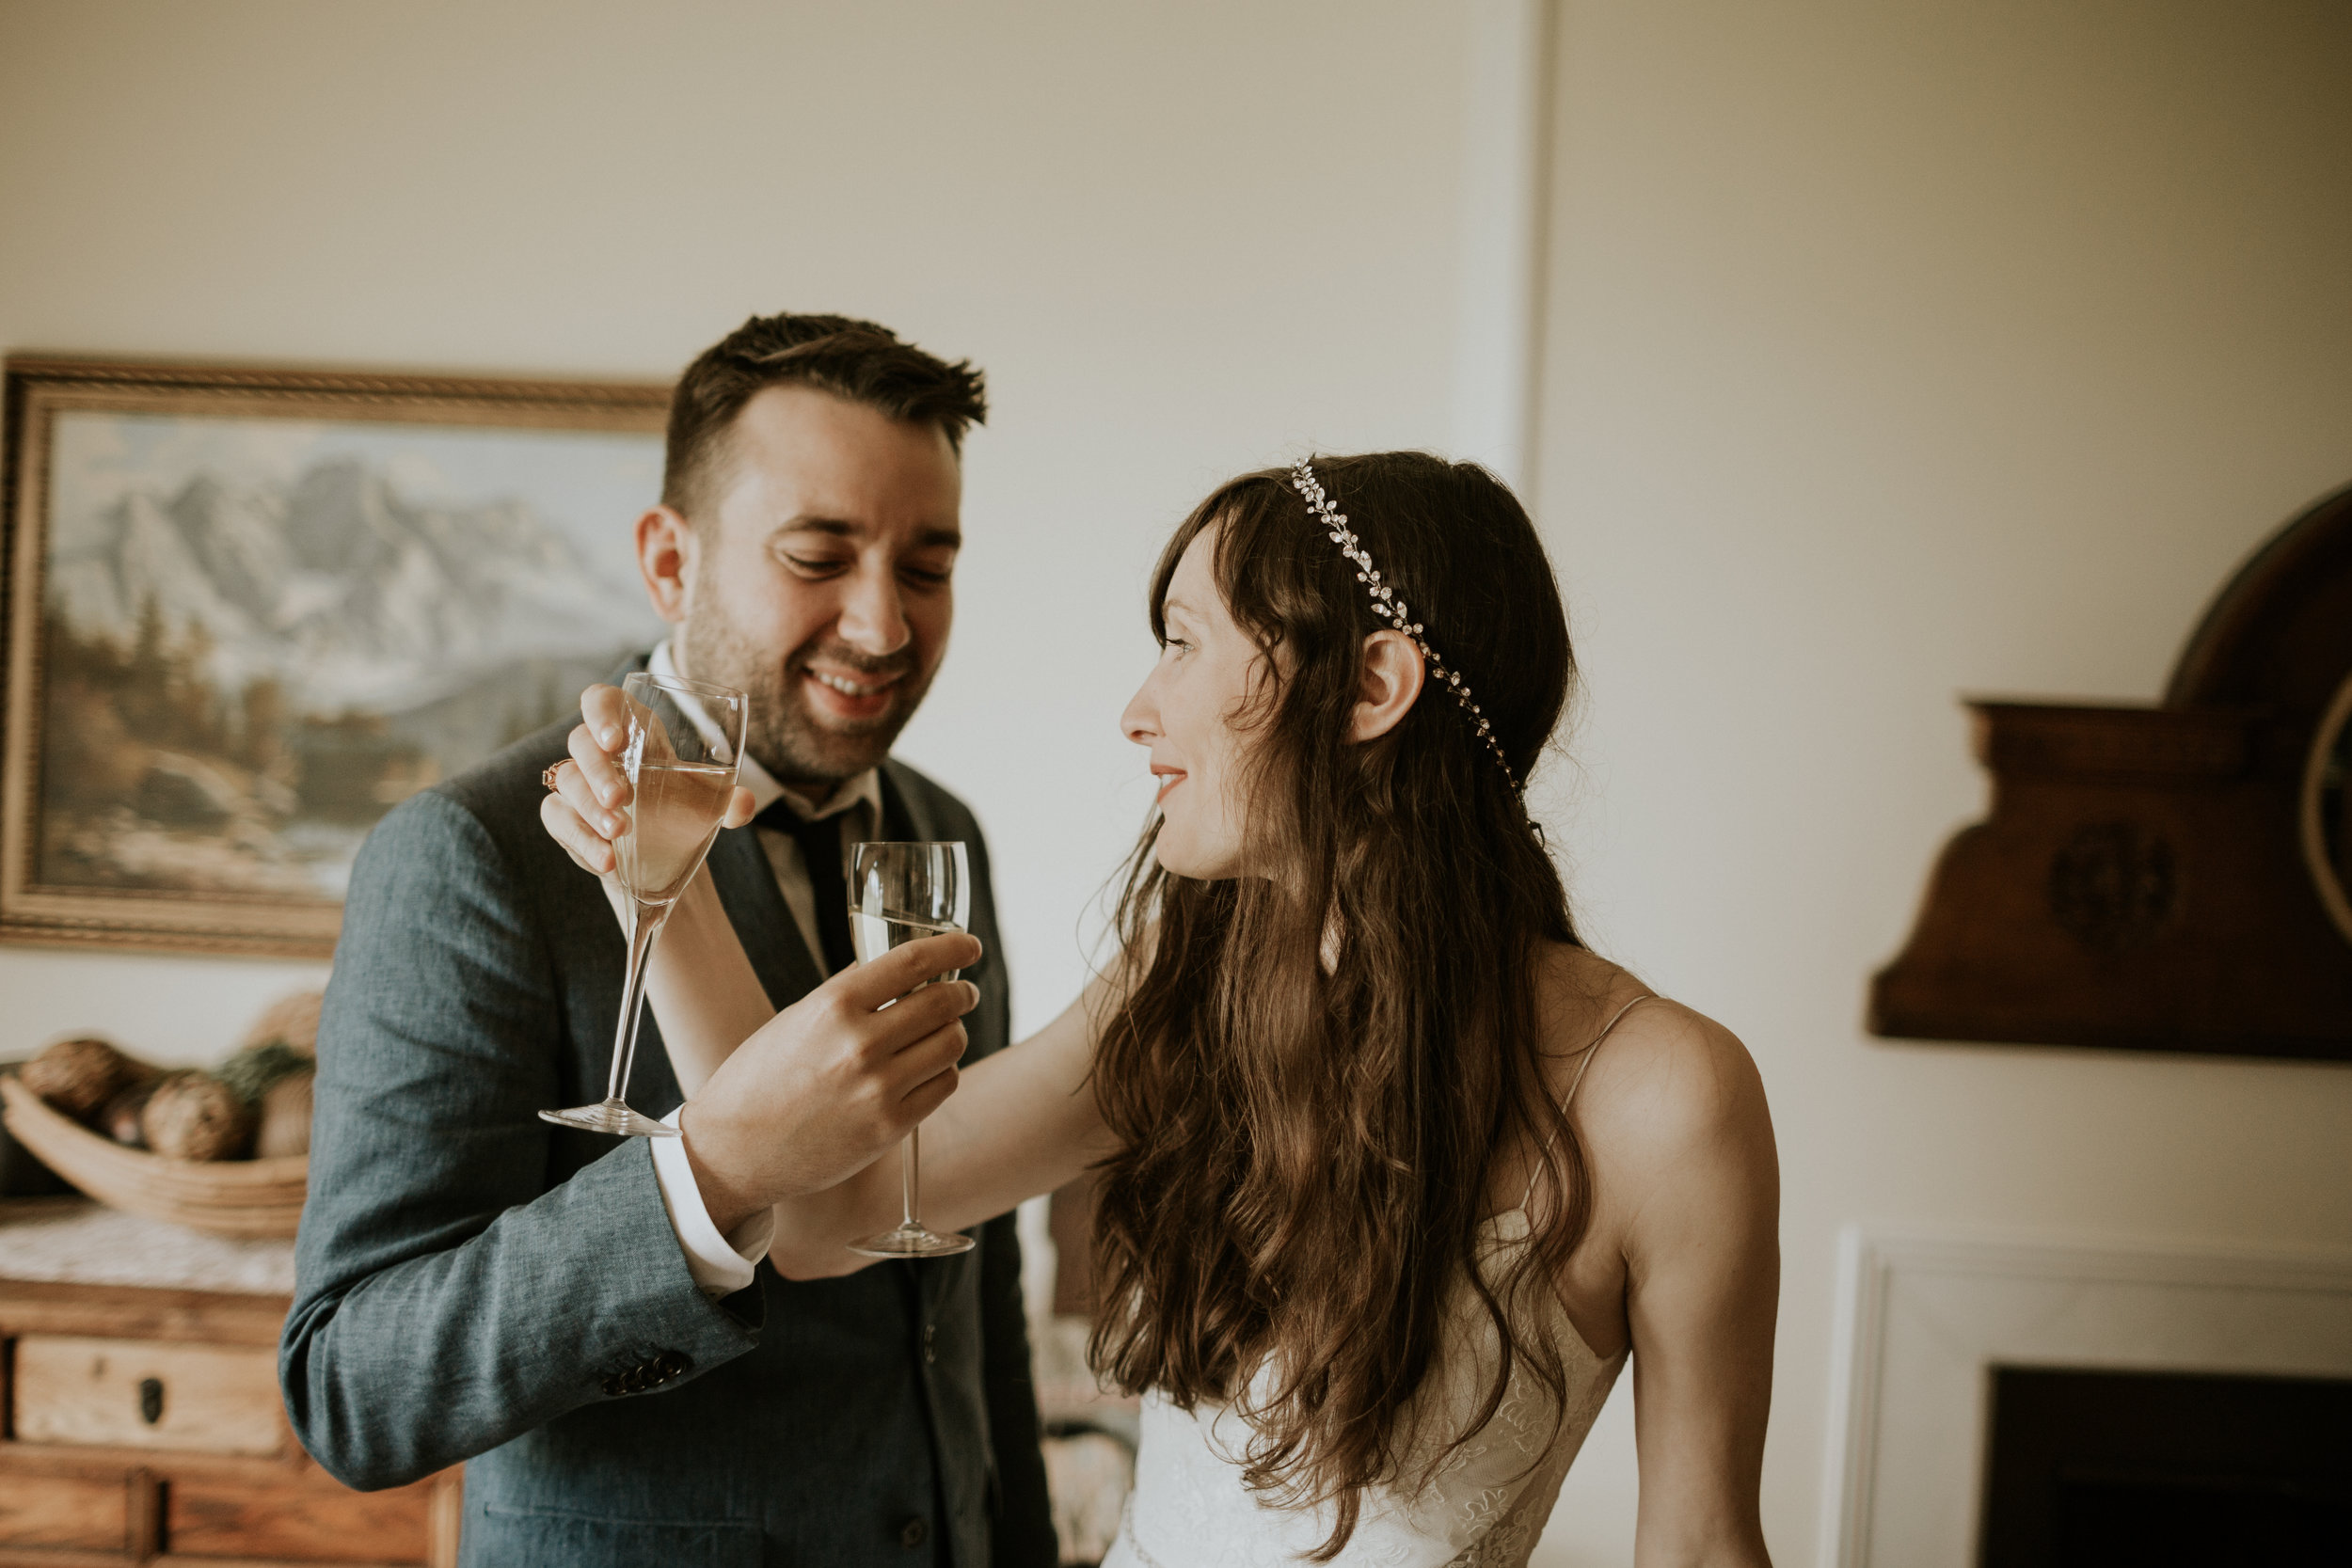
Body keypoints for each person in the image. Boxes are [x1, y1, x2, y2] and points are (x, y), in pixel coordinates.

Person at [548, 450, 1781, 1564]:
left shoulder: (1669, 1100)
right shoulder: (1185, 981)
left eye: (1185, 642)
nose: (1139, 709)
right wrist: (665, 886)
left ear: (1371, 688)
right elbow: (837, 1209)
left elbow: (1704, 1548)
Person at [281, 312, 1057, 1568]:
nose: (884, 625)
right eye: (819, 554)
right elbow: (351, 1386)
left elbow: (971, 1296)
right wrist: (702, 1184)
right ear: (668, 563)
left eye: (927, 566)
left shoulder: (940, 829)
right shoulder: (475, 852)